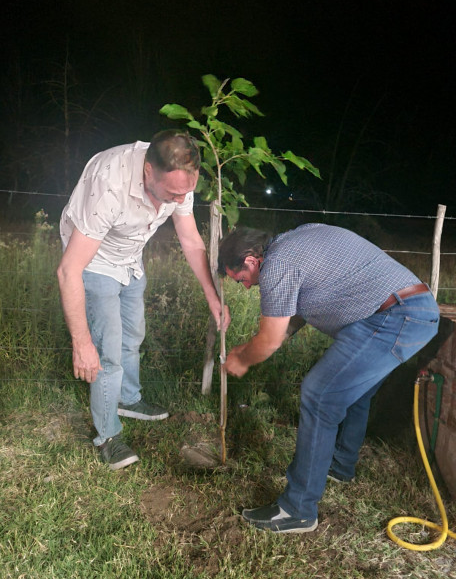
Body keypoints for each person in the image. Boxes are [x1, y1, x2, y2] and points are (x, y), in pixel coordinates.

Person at [218, 224, 439, 534]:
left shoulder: (278, 263)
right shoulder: (295, 241)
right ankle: (340, 465)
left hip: (392, 316)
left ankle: (297, 509)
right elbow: (301, 306)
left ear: (252, 261)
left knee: (319, 395)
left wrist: (241, 359)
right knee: (352, 392)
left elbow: (267, 341)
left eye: (241, 279)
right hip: (405, 309)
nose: (245, 287)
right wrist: (272, 339)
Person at [57, 130, 230, 470]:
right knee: (106, 351)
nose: (180, 200)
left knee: (132, 335)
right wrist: (81, 342)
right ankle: (107, 436)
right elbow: (68, 271)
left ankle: (128, 398)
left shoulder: (180, 180)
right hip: (93, 261)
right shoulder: (110, 183)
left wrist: (212, 296)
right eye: (173, 193)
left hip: (130, 259)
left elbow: (191, 239)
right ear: (148, 172)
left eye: (186, 192)